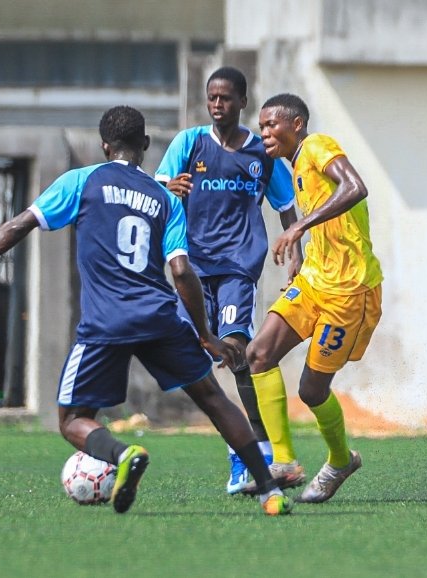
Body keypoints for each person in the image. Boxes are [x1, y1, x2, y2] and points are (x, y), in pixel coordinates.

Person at [0, 105, 292, 516]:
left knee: (71, 419)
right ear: (145, 145)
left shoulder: (82, 182)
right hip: (160, 316)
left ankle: (123, 455)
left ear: (104, 145)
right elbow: (181, 271)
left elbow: (18, 225)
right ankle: (269, 491)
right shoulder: (163, 196)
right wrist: (205, 335)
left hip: (106, 322)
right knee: (212, 398)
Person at [154, 66, 302, 495]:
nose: (217, 105)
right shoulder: (189, 142)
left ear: (242, 101)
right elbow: (160, 188)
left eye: (225, 98)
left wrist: (297, 252)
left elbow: (286, 206)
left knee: (238, 349)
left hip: (239, 266)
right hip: (193, 267)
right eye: (211, 98)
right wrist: (172, 188)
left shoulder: (262, 153)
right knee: (193, 360)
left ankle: (255, 453)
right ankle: (247, 449)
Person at [243, 93, 383, 503]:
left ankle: (340, 460)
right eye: (262, 126)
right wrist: (301, 257)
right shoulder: (293, 167)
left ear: (297, 124)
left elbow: (356, 187)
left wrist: (298, 227)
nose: (264, 132)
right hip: (313, 281)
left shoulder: (318, 145)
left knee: (311, 390)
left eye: (272, 124)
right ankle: (283, 462)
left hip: (349, 290)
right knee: (258, 354)